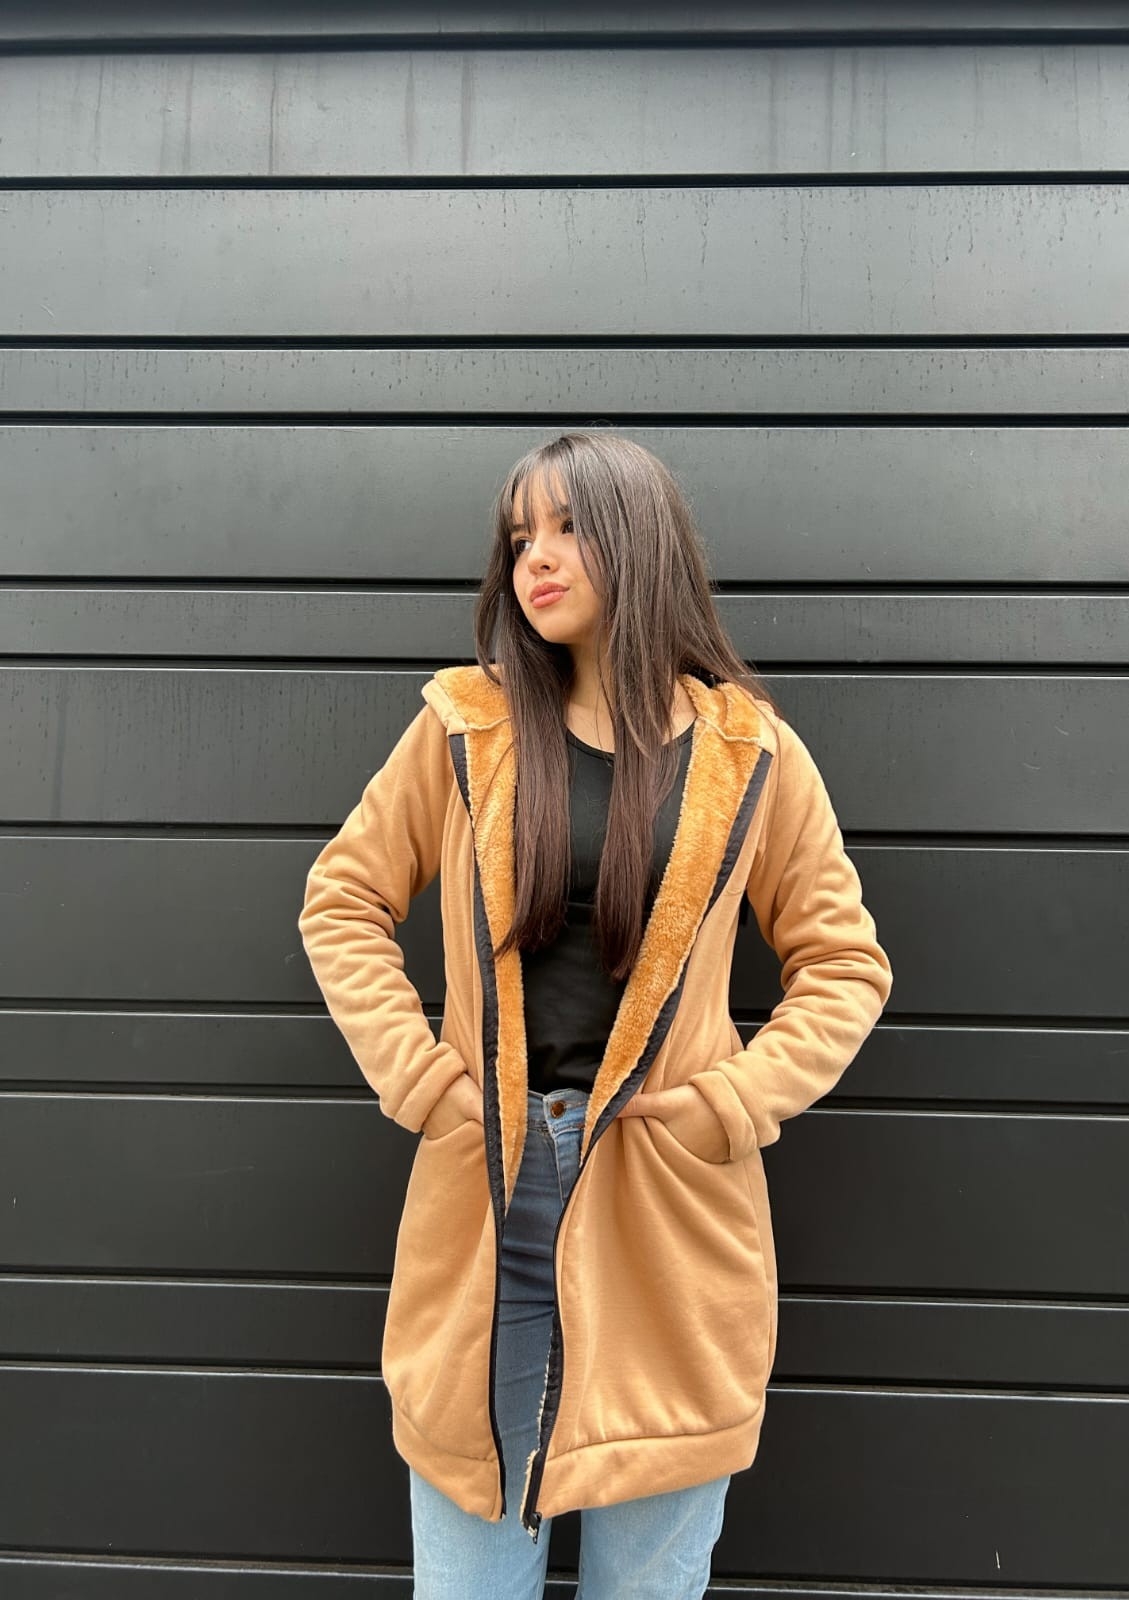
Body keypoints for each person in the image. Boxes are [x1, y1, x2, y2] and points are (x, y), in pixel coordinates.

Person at [297, 430, 893, 1599]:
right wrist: (423, 1081)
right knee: (468, 1571)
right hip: (489, 1184)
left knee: (650, 1581)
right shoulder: (464, 727)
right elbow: (344, 897)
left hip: (666, 1208)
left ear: (641, 537)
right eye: (521, 534)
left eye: (569, 526)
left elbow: (844, 962)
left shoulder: (750, 753)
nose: (537, 556)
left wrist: (731, 1104)